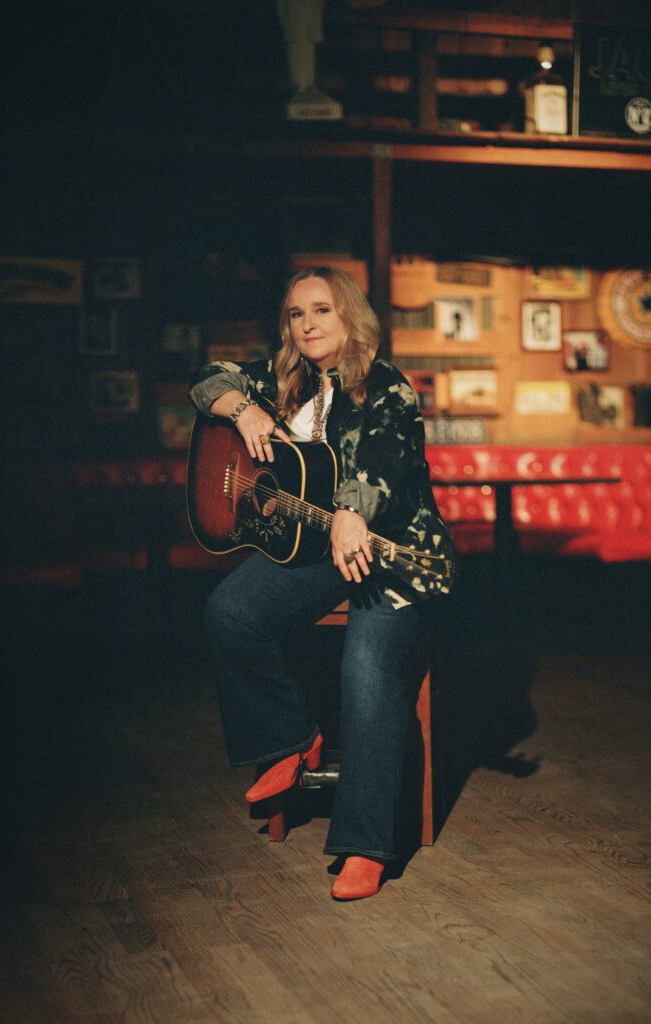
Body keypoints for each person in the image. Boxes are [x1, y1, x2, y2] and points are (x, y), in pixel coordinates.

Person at [189, 266, 454, 901]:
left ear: (350, 318)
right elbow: (207, 381)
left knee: (364, 668)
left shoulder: (387, 388)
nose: (307, 323)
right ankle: (289, 740)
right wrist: (244, 408)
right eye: (295, 313)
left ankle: (365, 845)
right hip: (311, 549)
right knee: (229, 611)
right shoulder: (282, 381)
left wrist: (353, 513)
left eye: (322, 311)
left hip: (391, 554)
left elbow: (383, 464)